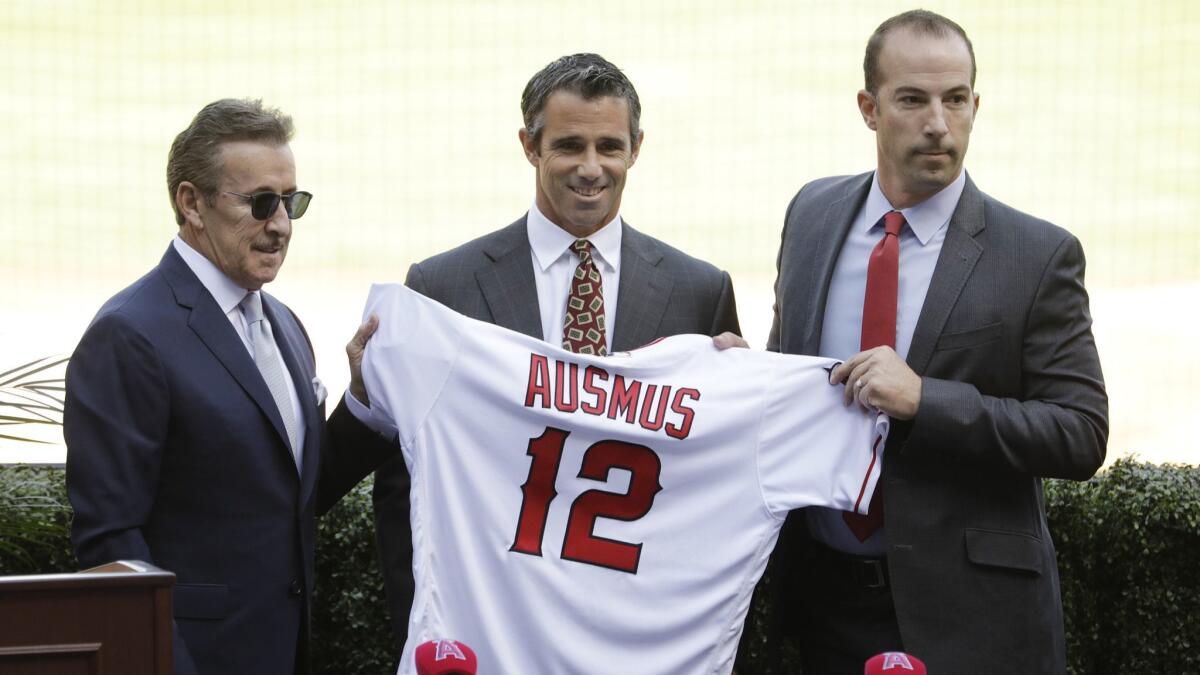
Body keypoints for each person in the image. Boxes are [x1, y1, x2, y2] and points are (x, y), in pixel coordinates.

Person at [762, 10, 1108, 674]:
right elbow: (795, 372)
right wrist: (738, 369)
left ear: (976, 104)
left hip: (972, 622)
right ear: (869, 107)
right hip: (825, 606)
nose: (938, 123)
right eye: (912, 100)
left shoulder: (1037, 256)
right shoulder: (811, 214)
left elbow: (1081, 432)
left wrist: (928, 400)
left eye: (956, 100)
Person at [369, 52, 741, 657]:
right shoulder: (443, 288)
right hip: (489, 631)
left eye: (610, 147)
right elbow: (400, 480)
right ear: (529, 145)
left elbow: (712, 475)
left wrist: (738, 387)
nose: (591, 169)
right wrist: (426, 619)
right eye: (569, 145)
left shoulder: (699, 291)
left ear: (637, 148)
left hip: (632, 634)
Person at [64, 98, 397, 675]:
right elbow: (109, 545)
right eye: (260, 203)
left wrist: (363, 401)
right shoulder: (128, 335)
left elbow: (291, 496)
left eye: (291, 202)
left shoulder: (285, 324)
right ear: (191, 203)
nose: (281, 225)